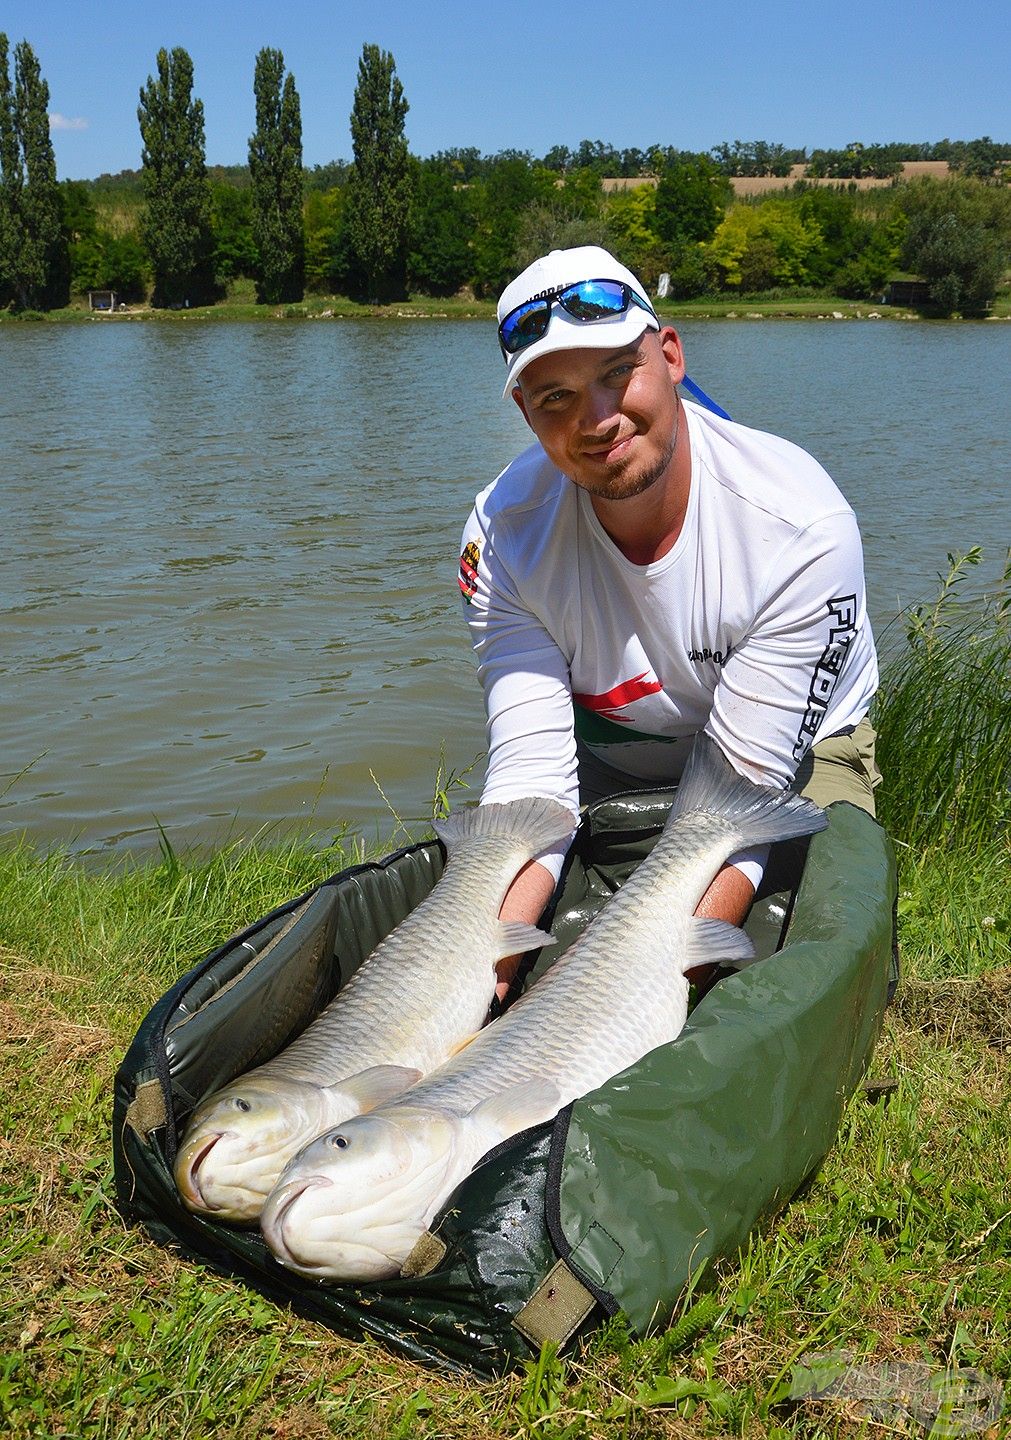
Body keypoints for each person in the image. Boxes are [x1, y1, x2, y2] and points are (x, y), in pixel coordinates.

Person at [458, 245, 880, 1002]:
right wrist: (482, 978)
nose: (595, 419)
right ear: (525, 412)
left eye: (618, 372)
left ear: (672, 355)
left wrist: (650, 986)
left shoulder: (797, 527)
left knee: (807, 929)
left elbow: (740, 804)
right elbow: (530, 787)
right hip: (620, 751)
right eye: (553, 397)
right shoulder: (500, 536)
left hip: (801, 756)